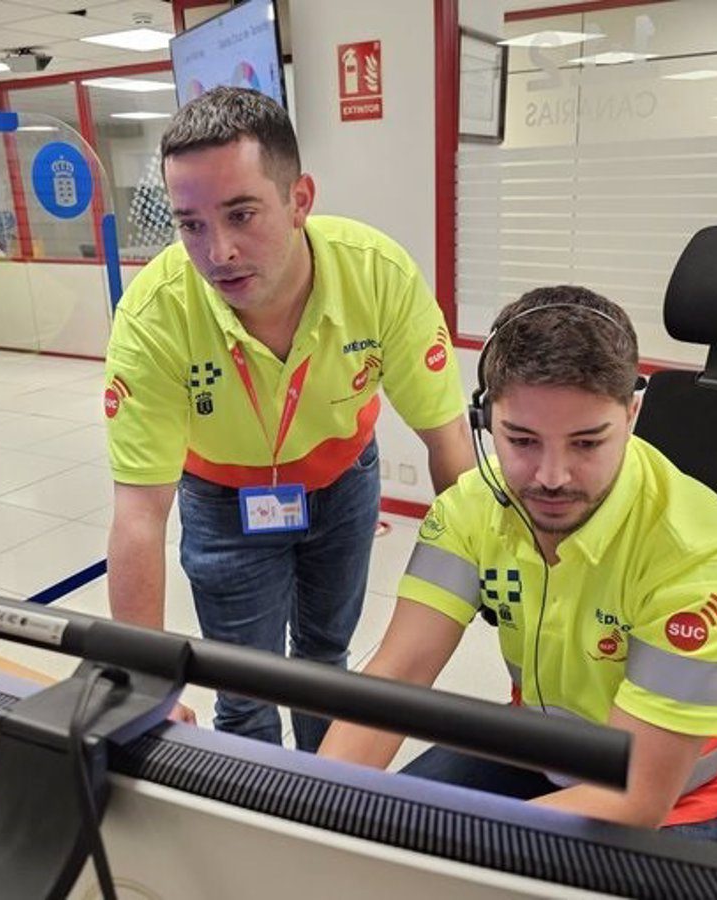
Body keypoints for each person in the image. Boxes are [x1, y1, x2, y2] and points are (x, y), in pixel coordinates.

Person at [318, 286, 717, 847]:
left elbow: (638, 798)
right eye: (522, 440)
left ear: (631, 413)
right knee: (370, 848)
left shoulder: (698, 554)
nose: (551, 476)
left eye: (586, 443)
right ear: (485, 420)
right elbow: (397, 676)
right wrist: (319, 808)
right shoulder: (470, 507)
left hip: (692, 800)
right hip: (540, 752)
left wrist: (448, 847)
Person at [103, 87, 473, 751]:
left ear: (300, 199)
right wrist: (141, 682)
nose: (218, 252)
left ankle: (323, 802)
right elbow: (138, 515)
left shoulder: (377, 275)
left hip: (342, 484)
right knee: (245, 688)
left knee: (325, 665)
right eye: (191, 225)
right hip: (223, 500)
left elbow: (448, 444)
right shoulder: (153, 315)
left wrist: (498, 576)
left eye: (242, 214)